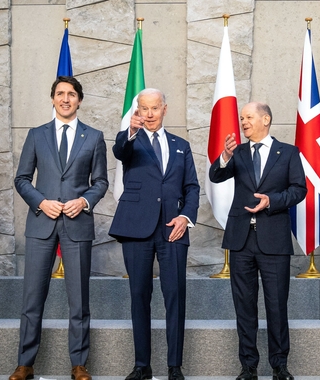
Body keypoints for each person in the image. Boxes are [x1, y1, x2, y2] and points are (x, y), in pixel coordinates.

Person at [11, 76, 108, 380]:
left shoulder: (93, 137)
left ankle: (79, 364)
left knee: (79, 300)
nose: (65, 99)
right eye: (60, 94)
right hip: (42, 224)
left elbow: (101, 182)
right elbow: (22, 179)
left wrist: (84, 201)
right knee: (32, 298)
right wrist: (41, 202)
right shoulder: (37, 135)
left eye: (71, 94)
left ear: (79, 99)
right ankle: (25, 363)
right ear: (52, 98)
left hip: (77, 224)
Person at [208, 102, 306, 380]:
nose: (244, 122)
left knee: (277, 306)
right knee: (244, 307)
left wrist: (271, 201)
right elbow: (216, 176)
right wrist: (225, 157)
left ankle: (280, 366)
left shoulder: (288, 153)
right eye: (242, 118)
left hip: (273, 240)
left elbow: (299, 190)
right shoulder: (237, 152)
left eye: (248, 117)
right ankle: (248, 366)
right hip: (241, 241)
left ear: (266, 119)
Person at [108, 88, 200, 380]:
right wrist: (129, 131)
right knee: (139, 295)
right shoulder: (131, 141)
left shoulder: (181, 145)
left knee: (175, 295)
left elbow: (192, 188)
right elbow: (119, 151)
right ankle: (142, 365)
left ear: (164, 109)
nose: (148, 114)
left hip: (173, 228)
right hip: (136, 228)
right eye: (143, 109)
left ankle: (175, 366)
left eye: (154, 108)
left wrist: (186, 217)